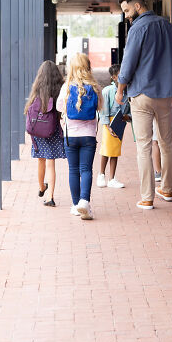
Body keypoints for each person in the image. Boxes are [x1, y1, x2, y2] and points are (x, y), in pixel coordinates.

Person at [115, 0, 172, 210]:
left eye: (126, 10)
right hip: (165, 94)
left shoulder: (138, 28)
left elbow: (129, 61)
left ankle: (147, 197)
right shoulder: (169, 27)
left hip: (142, 93)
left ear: (137, 6)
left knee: (143, 146)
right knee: (166, 143)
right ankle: (168, 189)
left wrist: (120, 88)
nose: (125, 16)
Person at [56, 53, 101, 219]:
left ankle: (75, 205)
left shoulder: (67, 86)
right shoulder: (94, 86)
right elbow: (98, 106)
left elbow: (59, 107)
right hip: (89, 135)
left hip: (71, 135)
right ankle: (84, 202)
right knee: (86, 169)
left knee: (73, 170)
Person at [24, 60, 66, 207]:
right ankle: (50, 197)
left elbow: (29, 108)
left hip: (38, 129)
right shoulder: (60, 88)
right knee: (50, 163)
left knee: (40, 160)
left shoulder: (38, 88)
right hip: (52, 129)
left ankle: (42, 187)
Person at [97, 64, 126, 189]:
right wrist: (108, 126)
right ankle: (101, 174)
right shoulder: (107, 91)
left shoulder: (126, 90)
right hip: (109, 122)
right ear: (114, 77)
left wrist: (127, 117)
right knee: (106, 149)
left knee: (115, 151)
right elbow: (103, 110)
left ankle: (112, 178)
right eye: (120, 75)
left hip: (119, 122)